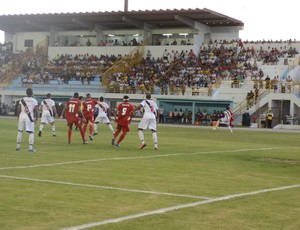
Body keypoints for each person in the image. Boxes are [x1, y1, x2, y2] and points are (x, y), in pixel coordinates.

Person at [16, 88, 39, 152]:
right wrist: (36, 118)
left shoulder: (22, 99)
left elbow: (18, 108)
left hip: (22, 116)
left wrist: (18, 116)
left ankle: (18, 146)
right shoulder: (34, 100)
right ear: (32, 93)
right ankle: (30, 148)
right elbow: (36, 110)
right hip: (29, 117)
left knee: (20, 131)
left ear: (26, 93)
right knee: (31, 132)